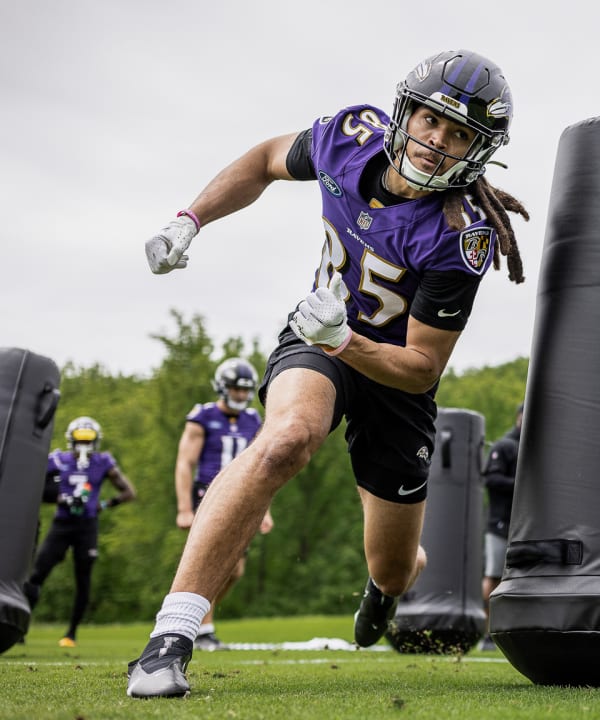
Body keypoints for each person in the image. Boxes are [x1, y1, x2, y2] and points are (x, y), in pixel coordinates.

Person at [127, 49, 529, 698]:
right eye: (431, 121)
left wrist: (345, 340)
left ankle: (382, 591)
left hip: (392, 377)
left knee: (396, 568)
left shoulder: (462, 234)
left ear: (480, 151)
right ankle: (170, 637)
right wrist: (190, 218)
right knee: (286, 439)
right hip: (318, 336)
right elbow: (263, 161)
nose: (437, 143)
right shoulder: (349, 139)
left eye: (460, 136)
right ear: (406, 112)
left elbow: (421, 368)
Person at [174, 358, 273, 651]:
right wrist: (184, 508)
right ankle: (203, 630)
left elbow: (264, 468)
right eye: (235, 389)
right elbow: (185, 463)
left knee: (234, 571)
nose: (241, 396)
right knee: (210, 561)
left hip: (243, 495)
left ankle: (195, 618)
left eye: (245, 391)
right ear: (222, 387)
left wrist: (265, 509)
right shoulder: (202, 416)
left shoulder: (253, 419)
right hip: (208, 494)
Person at [24, 417, 136, 647]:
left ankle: (71, 633)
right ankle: (20, 628)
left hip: (87, 526)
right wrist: (60, 497)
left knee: (83, 579)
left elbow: (128, 492)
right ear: (71, 440)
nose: (83, 446)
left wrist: (104, 505)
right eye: (79, 441)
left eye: (88, 441)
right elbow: (34, 485)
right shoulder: (57, 460)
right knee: (37, 574)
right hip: (62, 524)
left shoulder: (103, 462)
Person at [478, 402, 522, 651]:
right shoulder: (505, 446)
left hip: (523, 525)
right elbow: (491, 479)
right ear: (519, 417)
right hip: (499, 523)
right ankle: (487, 632)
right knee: (493, 576)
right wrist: (522, 483)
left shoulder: (535, 447)